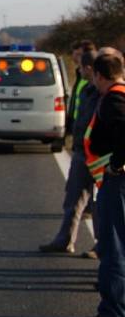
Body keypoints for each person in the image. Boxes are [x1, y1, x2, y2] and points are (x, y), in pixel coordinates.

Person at [81, 51, 125, 317]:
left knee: (113, 246)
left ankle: (112, 313)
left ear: (98, 75)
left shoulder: (114, 99)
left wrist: (116, 165)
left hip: (117, 183)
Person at [38, 50, 99, 254]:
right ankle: (65, 240)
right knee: (73, 198)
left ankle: (102, 245)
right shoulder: (87, 89)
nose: (79, 71)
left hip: (99, 156)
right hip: (82, 151)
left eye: (81, 68)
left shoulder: (107, 93)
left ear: (90, 69)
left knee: (100, 203)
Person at [66, 40, 96, 133]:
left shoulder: (90, 78)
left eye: (79, 54)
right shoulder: (80, 74)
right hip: (78, 122)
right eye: (75, 54)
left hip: (86, 124)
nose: (75, 57)